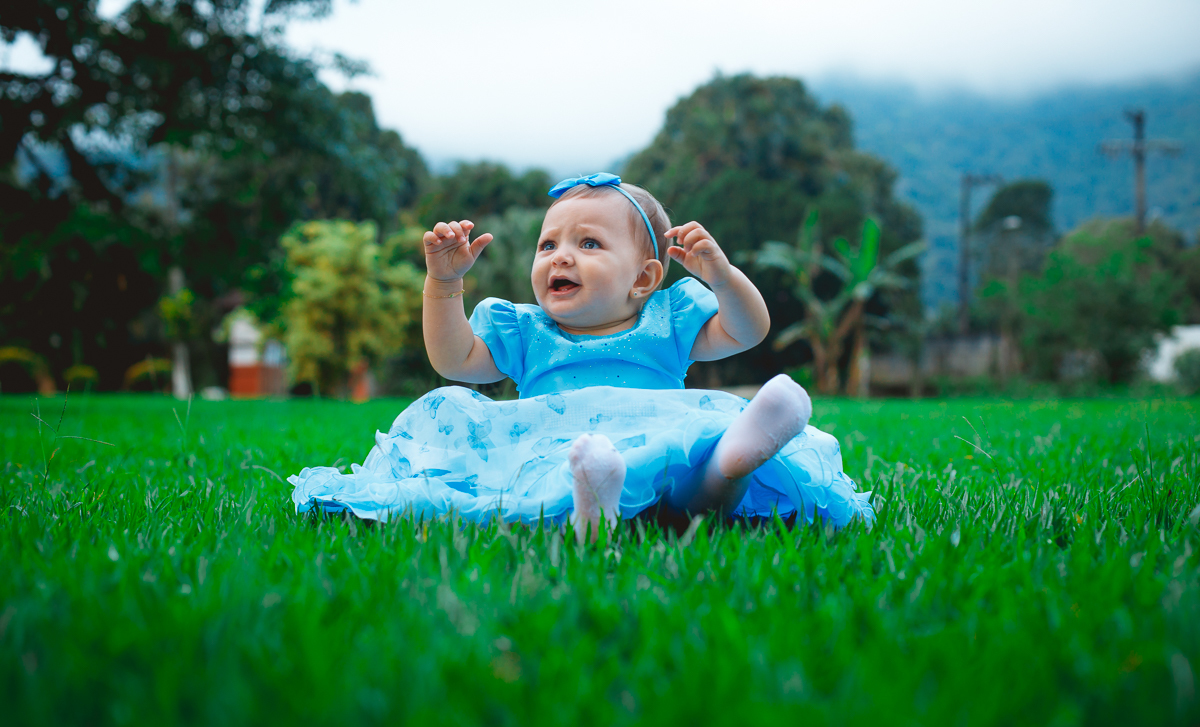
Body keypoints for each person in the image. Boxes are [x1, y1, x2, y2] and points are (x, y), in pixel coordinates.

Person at [288, 173, 873, 540]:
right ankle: (597, 502)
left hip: (656, 438)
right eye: (549, 244)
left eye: (588, 243)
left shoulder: (667, 322)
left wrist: (721, 275)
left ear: (644, 278)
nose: (559, 257)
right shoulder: (524, 329)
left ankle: (735, 458)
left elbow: (748, 331)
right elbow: (454, 361)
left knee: (689, 465)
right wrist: (444, 286)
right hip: (557, 448)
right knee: (566, 472)